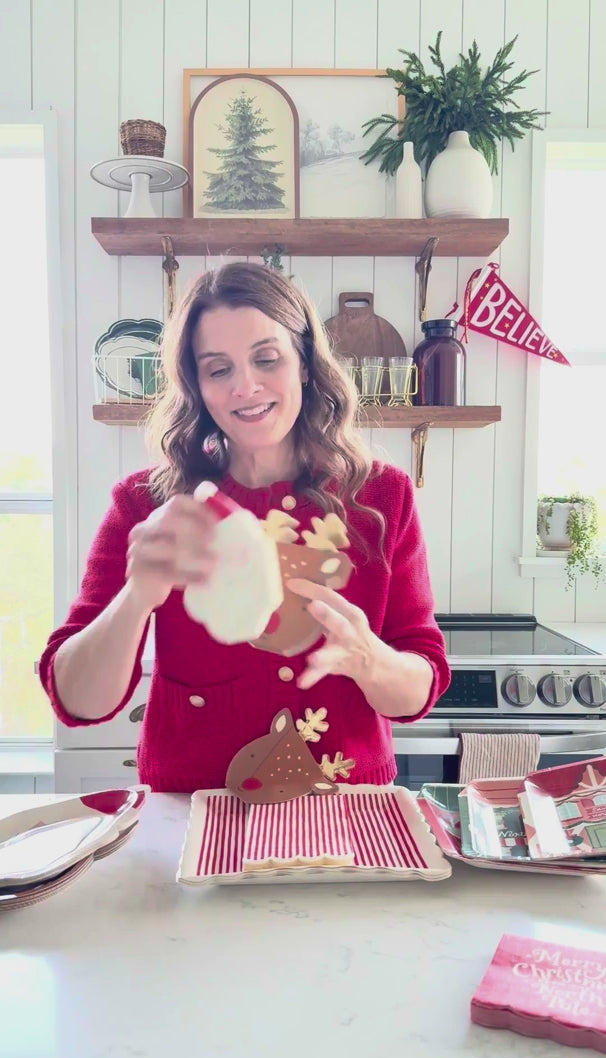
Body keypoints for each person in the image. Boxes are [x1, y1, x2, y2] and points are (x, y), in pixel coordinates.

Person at [39, 262, 450, 793]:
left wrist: (370, 659)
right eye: (218, 369)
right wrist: (136, 596)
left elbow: (419, 689)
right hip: (191, 815)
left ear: (304, 363)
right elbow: (77, 702)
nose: (246, 387)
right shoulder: (145, 506)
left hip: (345, 809)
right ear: (197, 386)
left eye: (267, 359)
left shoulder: (380, 497)